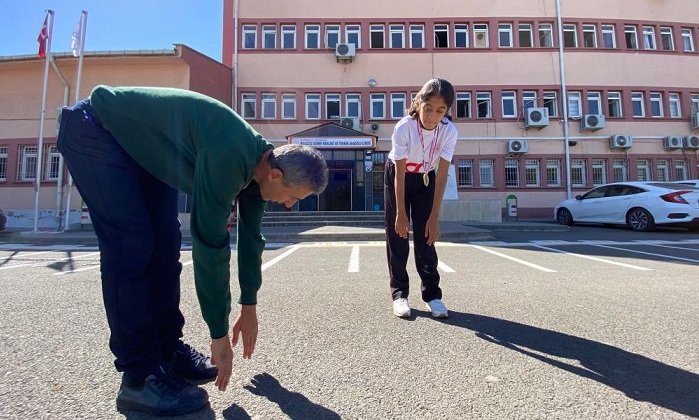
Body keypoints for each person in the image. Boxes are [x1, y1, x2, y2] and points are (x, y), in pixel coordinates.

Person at [56, 85, 328, 416]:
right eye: (292, 197)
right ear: (275, 174)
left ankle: (168, 351)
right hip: (96, 129)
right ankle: (139, 378)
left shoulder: (261, 173)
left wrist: (249, 307)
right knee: (131, 247)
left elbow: (251, 240)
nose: (288, 206)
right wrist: (219, 335)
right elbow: (210, 244)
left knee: (165, 244)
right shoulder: (231, 154)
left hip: (141, 150)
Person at [384, 78, 458, 319]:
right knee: (399, 235)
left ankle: (432, 295)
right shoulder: (404, 127)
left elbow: (443, 174)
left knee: (427, 236)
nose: (432, 116)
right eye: (428, 108)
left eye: (440, 110)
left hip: (427, 176)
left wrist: (434, 217)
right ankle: (399, 294)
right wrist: (400, 213)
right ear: (417, 104)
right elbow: (400, 172)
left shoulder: (449, 131)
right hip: (399, 176)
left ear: (447, 111)